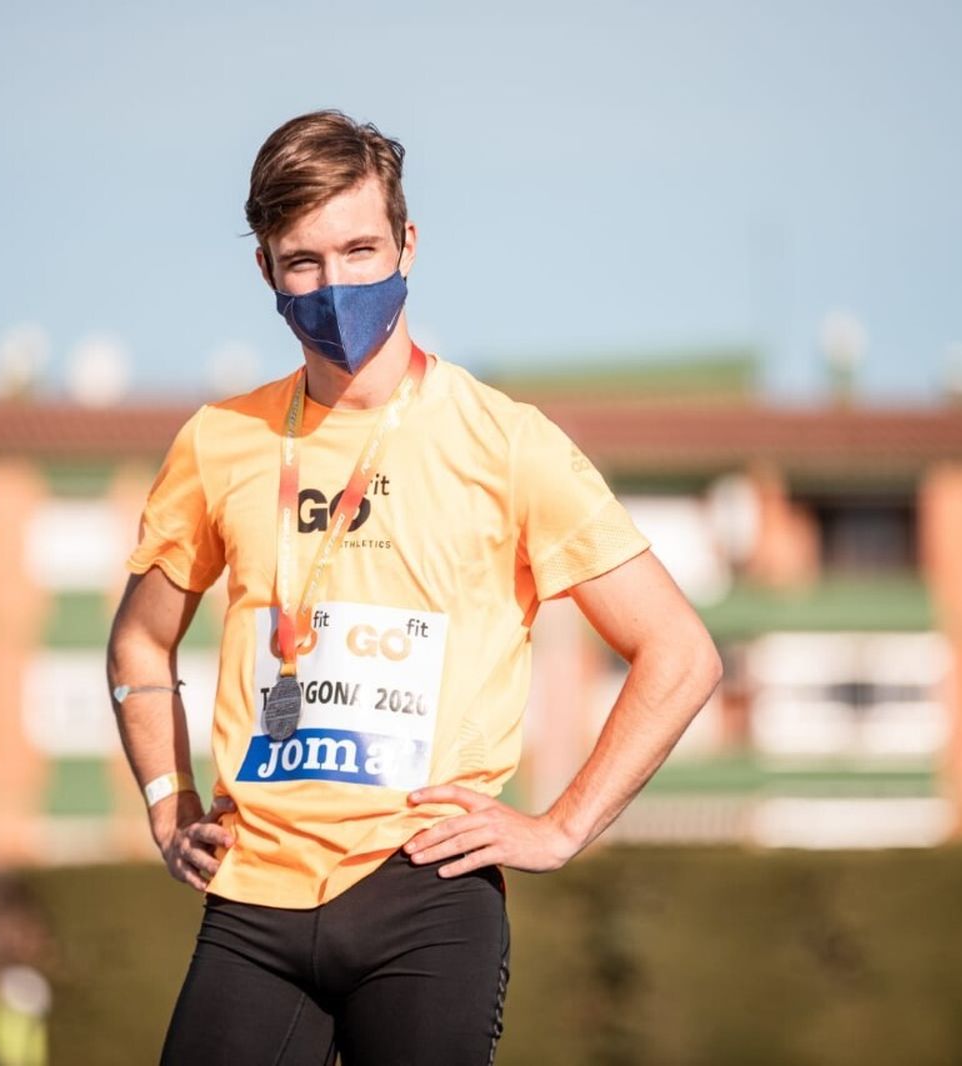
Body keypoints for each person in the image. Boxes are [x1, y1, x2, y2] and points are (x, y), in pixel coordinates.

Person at [108, 109, 722, 1065]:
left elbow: (679, 653)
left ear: (408, 243)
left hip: (425, 891)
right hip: (254, 889)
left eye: (360, 249)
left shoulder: (505, 441)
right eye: (303, 260)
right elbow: (141, 639)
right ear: (266, 270)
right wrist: (165, 801)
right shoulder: (219, 441)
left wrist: (561, 830)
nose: (336, 282)